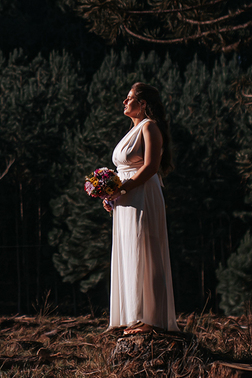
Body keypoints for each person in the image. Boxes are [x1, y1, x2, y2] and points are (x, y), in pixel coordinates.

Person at [105, 81, 178, 334]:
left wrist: (121, 190)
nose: (124, 102)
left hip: (143, 195)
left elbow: (150, 167)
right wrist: (110, 194)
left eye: (129, 98)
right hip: (126, 199)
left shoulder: (150, 128)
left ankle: (152, 319)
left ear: (143, 103)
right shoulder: (131, 131)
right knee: (130, 252)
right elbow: (122, 169)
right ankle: (133, 314)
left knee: (146, 251)